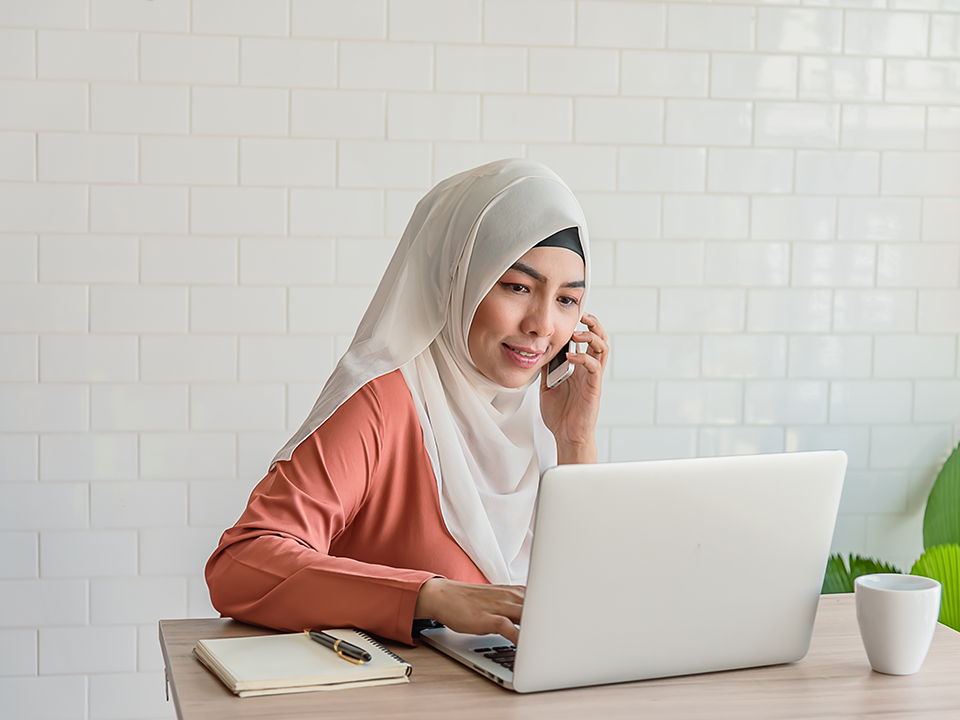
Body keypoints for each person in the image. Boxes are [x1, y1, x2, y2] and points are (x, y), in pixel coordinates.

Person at [205, 159, 608, 646]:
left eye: (567, 299)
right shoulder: (382, 403)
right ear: (460, 278)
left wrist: (574, 440)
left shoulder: (541, 417)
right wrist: (429, 596)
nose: (543, 325)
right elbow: (241, 565)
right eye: (518, 287)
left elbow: (586, 607)